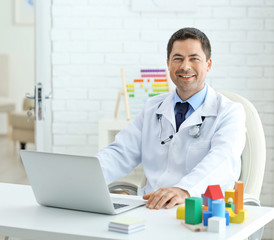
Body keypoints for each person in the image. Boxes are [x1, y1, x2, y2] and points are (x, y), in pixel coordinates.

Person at [96, 27, 246, 210]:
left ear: (208, 64)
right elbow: (120, 153)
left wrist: (184, 190)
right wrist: (88, 176)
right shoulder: (153, 108)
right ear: (168, 63)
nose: (185, 66)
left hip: (199, 210)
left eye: (194, 58)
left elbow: (223, 160)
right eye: (178, 58)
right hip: (151, 207)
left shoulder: (230, 112)